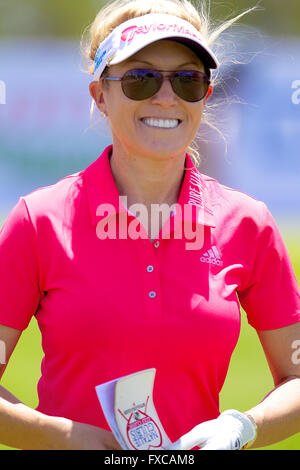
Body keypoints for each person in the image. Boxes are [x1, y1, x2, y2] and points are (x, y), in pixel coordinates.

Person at [0, 0, 300, 451]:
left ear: (206, 95)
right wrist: (61, 437)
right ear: (100, 95)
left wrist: (243, 426)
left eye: (187, 79)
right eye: (140, 79)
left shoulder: (248, 224)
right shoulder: (38, 221)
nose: (166, 97)